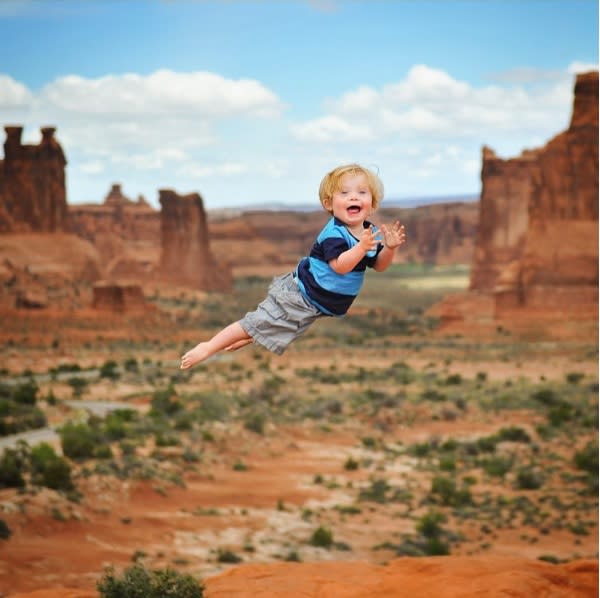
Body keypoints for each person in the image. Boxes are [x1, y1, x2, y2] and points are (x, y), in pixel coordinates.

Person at [180, 163, 406, 370]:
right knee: (256, 322)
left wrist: (390, 248)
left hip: (321, 303)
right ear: (329, 203)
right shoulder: (334, 233)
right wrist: (360, 248)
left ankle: (250, 335)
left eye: (361, 193)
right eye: (344, 193)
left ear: (373, 203)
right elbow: (340, 266)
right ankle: (208, 347)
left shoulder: (368, 230)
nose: (353, 197)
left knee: (285, 327)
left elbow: (378, 265)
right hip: (303, 294)